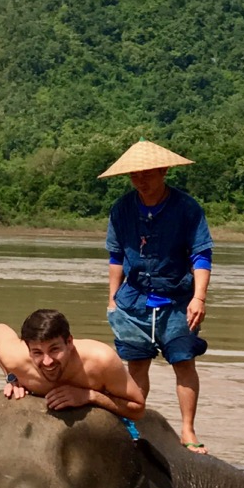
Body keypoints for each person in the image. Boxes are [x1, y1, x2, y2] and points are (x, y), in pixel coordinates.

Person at [99, 140, 214, 453]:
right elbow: (115, 257)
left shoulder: (186, 208)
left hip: (177, 300)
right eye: (135, 174)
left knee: (184, 363)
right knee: (136, 366)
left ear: (164, 170)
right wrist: (112, 299)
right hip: (134, 299)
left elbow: (201, 255)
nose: (140, 180)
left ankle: (188, 430)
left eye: (147, 173)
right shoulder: (122, 209)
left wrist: (199, 298)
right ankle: (136, 425)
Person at [0, 309, 146, 421]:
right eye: (38, 353)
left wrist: (90, 396)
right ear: (28, 349)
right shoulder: (15, 357)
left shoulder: (101, 360)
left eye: (54, 349)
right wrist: (12, 377)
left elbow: (138, 409)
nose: (47, 362)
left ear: (69, 342)